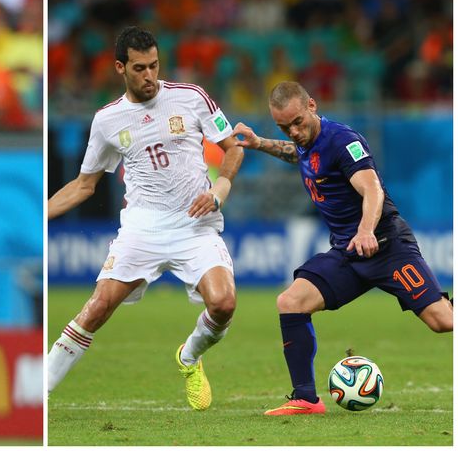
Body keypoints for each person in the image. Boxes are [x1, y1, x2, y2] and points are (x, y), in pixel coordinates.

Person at [47, 26, 244, 411]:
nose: (149, 75)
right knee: (99, 306)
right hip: (142, 228)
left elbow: (232, 148)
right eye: (139, 68)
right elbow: (83, 185)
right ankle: (42, 394)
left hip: (195, 225)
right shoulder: (107, 121)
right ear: (120, 68)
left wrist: (219, 191)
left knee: (223, 304)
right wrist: (41, 216)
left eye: (154, 65)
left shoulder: (191, 97)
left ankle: (189, 356)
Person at [231, 81, 453, 416]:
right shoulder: (306, 141)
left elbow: (373, 189)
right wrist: (260, 143)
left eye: (297, 123)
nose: (293, 132)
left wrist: (365, 231)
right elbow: (298, 154)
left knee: (443, 322)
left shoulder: (342, 141)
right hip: (348, 253)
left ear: (312, 106)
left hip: (386, 245)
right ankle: (306, 398)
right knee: (290, 302)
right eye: (283, 127)